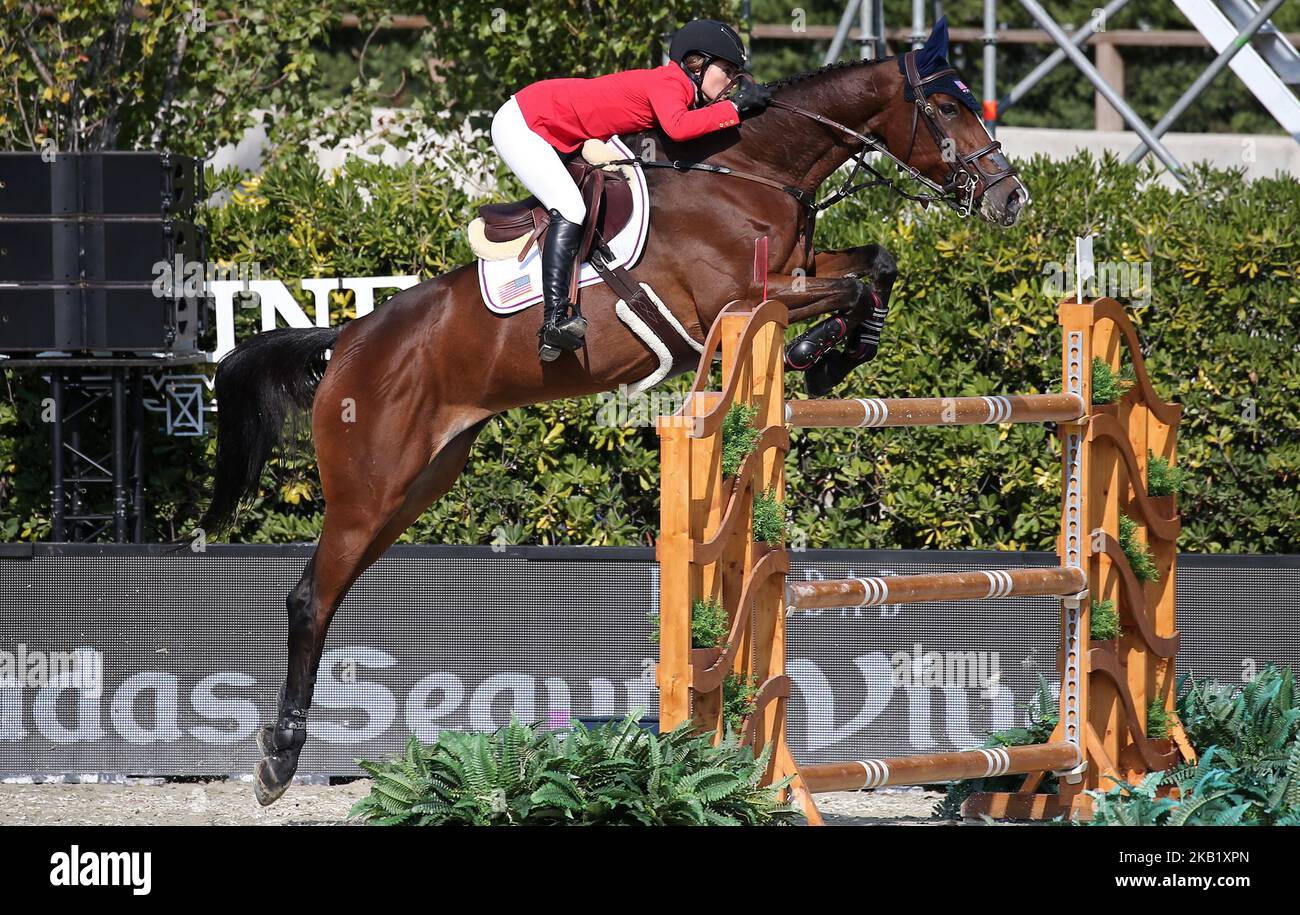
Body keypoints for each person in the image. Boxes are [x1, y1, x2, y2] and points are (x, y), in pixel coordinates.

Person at [490, 19, 772, 361]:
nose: (729, 80)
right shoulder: (669, 83)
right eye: (725, 70)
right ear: (696, 63)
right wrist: (735, 109)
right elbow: (680, 129)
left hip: (551, 130)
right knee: (570, 207)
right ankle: (554, 320)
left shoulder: (680, 88)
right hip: (524, 124)